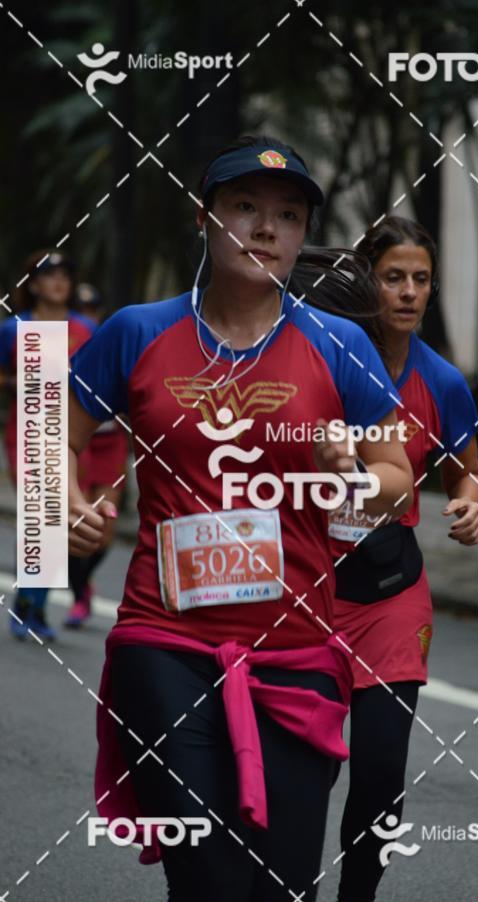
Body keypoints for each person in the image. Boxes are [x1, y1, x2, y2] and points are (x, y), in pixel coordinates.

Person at [67, 135, 414, 902]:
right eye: (246, 209)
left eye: (287, 216)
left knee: (283, 887)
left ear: (300, 236)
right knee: (209, 879)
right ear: (205, 219)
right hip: (165, 639)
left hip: (296, 656)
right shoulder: (137, 330)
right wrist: (67, 503)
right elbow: (51, 427)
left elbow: (395, 476)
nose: (265, 229)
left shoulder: (341, 344)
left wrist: (352, 475)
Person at [329, 216, 478, 902]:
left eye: (421, 279)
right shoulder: (322, 356)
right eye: (394, 277)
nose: (409, 292)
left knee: (381, 776)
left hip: (392, 590)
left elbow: (466, 473)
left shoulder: (443, 381)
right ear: (369, 280)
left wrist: (472, 503)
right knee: (292, 770)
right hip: (306, 591)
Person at [0, 250, 96, 640]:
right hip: (27, 431)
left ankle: (31, 605)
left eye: (65, 274)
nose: (58, 281)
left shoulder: (87, 328)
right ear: (34, 283)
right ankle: (30, 607)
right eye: (48, 274)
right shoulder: (12, 328)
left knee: (56, 520)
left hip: (70, 435)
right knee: (42, 513)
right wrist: (21, 384)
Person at [64, 283, 129, 628]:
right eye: (80, 309)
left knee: (106, 526)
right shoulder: (58, 340)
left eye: (93, 310)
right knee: (80, 518)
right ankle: (78, 595)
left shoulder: (112, 341)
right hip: (81, 444)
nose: (86, 317)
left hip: (112, 444)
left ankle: (84, 582)